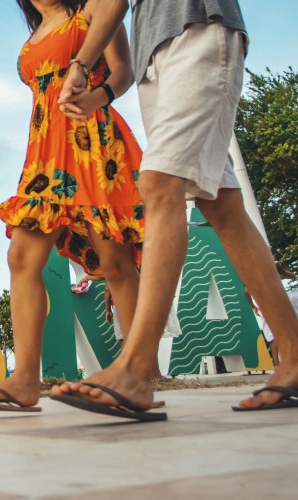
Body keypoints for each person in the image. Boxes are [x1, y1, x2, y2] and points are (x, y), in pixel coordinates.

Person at [51, 0, 298, 419]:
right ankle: (294, 357)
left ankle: (134, 370)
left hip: (197, 28)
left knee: (159, 184)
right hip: (156, 56)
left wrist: (80, 63)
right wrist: (98, 86)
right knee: (220, 203)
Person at [0, 0, 146, 412]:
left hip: (93, 141)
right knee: (21, 258)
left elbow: (124, 70)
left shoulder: (91, 10)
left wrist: (98, 96)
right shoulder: (34, 33)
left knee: (116, 262)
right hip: (44, 152)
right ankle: (25, 380)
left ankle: (140, 370)